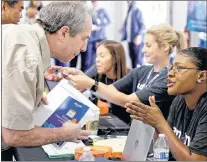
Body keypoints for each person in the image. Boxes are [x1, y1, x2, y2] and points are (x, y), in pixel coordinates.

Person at [2, 2, 92, 161]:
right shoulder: (27, 58)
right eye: (83, 39)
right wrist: (65, 133)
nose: (84, 48)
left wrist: (33, 89)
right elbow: (14, 135)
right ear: (64, 33)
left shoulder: (21, 36)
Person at [63, 24, 187, 121]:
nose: (143, 50)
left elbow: (129, 101)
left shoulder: (168, 78)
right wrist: (80, 76)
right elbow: (109, 90)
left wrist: (90, 83)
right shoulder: (141, 71)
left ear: (165, 47)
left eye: (148, 46)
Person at [126, 47, 207, 161]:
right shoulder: (179, 100)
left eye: (179, 68)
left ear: (201, 76)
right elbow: (166, 148)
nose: (169, 74)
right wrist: (152, 122)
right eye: (171, 68)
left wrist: (160, 123)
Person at [86, 40, 131, 123]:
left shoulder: (130, 77)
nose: (97, 60)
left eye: (102, 56)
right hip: (99, 124)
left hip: (124, 128)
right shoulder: (96, 71)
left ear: (115, 59)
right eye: (97, 56)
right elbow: (78, 84)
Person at [71, 0, 111, 72]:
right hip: (90, 39)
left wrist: (99, 26)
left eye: (96, 2)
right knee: (87, 60)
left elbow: (108, 22)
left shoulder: (102, 11)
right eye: (93, 2)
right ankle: (85, 75)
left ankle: (94, 75)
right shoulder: (89, 11)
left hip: (99, 38)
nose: (95, 3)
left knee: (98, 57)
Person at [121, 0, 145, 68]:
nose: (127, 3)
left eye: (129, 1)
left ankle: (141, 77)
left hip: (136, 40)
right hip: (130, 39)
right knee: (132, 59)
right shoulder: (129, 12)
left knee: (138, 61)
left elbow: (143, 27)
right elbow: (127, 24)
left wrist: (139, 36)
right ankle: (135, 77)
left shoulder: (137, 11)